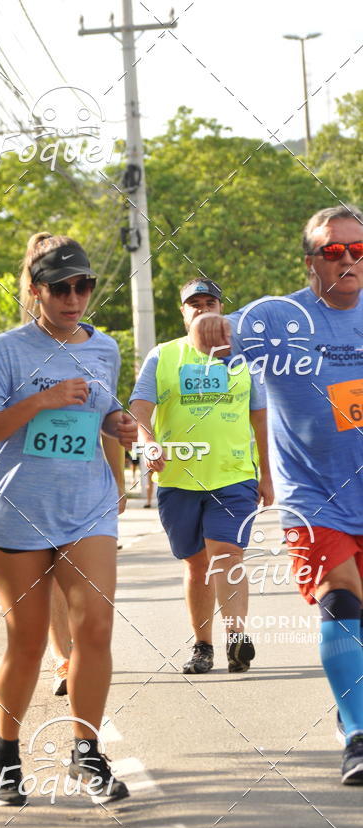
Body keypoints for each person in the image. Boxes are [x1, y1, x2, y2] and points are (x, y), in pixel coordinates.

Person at [190, 205, 363, 784]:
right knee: (342, 597)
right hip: (315, 496)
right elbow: (214, 340)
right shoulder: (278, 319)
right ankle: (360, 738)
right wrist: (206, 328)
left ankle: (349, 712)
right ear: (311, 259)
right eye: (334, 251)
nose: (348, 260)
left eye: (358, 250)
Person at [0, 232, 137, 805]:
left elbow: (105, 410)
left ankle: (86, 755)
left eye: (83, 286)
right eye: (60, 288)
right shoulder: (7, 351)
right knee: (29, 641)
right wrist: (40, 399)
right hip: (20, 511)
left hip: (86, 505)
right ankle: (6, 754)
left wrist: (120, 428)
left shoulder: (104, 347)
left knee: (96, 628)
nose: (73, 297)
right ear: (35, 290)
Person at [130, 278, 273, 674]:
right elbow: (140, 407)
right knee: (195, 565)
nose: (202, 308)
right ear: (183, 311)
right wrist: (147, 441)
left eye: (210, 301)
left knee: (227, 555)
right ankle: (203, 646)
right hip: (178, 479)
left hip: (233, 477)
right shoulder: (164, 356)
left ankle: (236, 638)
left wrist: (267, 474)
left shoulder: (245, 358)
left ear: (221, 308)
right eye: (194, 303)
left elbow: (259, 416)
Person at [49, 434, 126, 697]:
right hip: (35, 489)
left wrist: (119, 482)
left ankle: (77, 647)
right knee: (51, 574)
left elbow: (111, 428)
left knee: (82, 575)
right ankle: (62, 661)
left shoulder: (99, 389)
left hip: (89, 490)